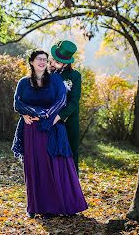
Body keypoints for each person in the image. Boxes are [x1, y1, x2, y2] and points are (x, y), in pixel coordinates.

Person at [11, 49, 88, 218]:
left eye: (45, 59)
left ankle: (49, 207)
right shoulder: (23, 82)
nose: (42, 62)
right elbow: (18, 103)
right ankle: (33, 206)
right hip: (30, 129)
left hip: (50, 128)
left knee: (47, 167)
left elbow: (62, 100)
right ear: (31, 61)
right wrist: (30, 113)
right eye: (39, 59)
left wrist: (45, 115)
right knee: (31, 167)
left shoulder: (54, 78)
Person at [50, 40, 81, 175]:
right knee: (51, 153)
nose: (53, 63)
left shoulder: (75, 76)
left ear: (67, 63)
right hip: (49, 120)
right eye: (53, 60)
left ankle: (72, 189)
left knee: (70, 154)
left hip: (69, 121)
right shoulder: (49, 73)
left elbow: (74, 101)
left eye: (57, 61)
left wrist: (60, 116)